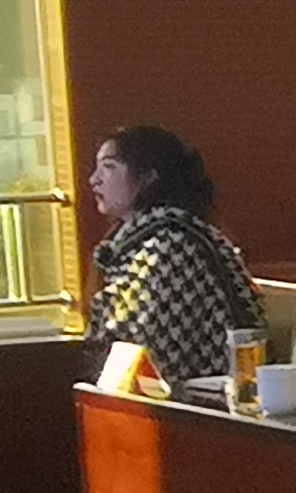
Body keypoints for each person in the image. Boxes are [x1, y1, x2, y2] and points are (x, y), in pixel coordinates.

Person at [81, 122, 261, 386]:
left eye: (109, 167)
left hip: (199, 396)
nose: (94, 179)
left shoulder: (169, 247)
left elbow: (149, 355)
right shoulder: (147, 238)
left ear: (148, 177)